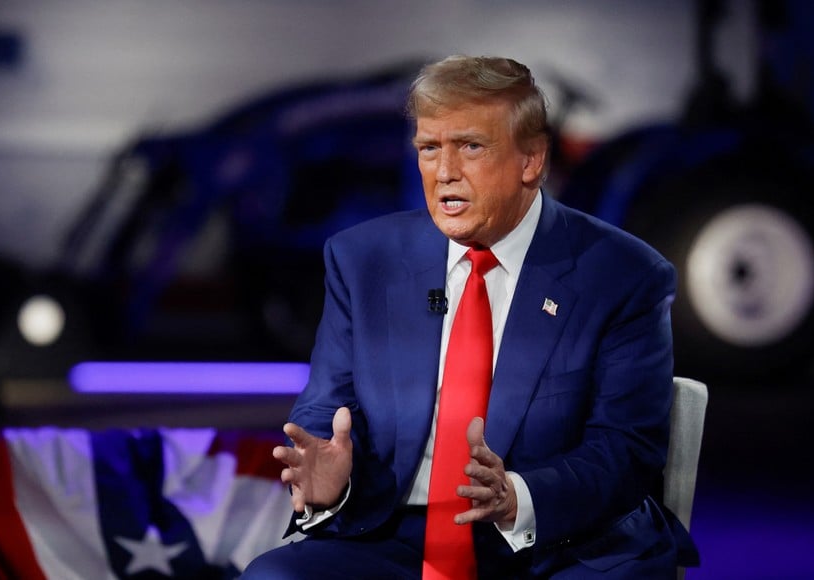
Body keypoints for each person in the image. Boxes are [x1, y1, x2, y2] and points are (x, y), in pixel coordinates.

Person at [242, 55, 697, 579]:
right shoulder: (363, 259)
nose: (444, 172)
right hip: (395, 536)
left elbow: (626, 450)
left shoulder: (622, 274)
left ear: (531, 160)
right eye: (430, 149)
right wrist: (331, 478)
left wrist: (517, 497)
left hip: (562, 544)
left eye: (471, 147)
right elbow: (327, 410)